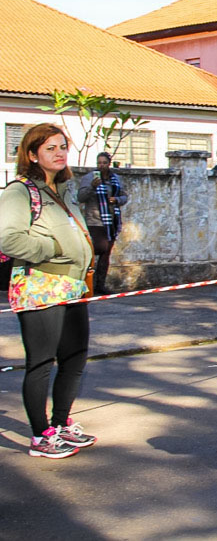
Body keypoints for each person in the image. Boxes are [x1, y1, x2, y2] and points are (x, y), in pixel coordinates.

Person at [0, 123, 97, 459]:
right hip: (40, 285)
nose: (59, 153)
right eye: (50, 148)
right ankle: (41, 436)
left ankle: (60, 423)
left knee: (74, 357)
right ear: (31, 154)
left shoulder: (64, 190)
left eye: (62, 147)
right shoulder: (20, 191)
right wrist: (54, 248)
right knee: (41, 362)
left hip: (71, 285)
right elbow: (8, 238)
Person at [75, 151, 128, 295]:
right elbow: (81, 197)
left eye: (104, 163)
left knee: (106, 255)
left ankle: (100, 284)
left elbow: (124, 196)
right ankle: (86, 283)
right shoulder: (89, 178)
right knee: (96, 250)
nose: (101, 166)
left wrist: (117, 200)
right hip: (95, 220)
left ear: (109, 164)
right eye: (99, 163)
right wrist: (92, 186)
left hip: (112, 221)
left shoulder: (115, 179)